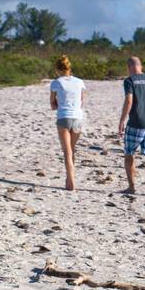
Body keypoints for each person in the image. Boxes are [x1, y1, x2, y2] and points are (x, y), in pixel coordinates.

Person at [118, 57, 145, 195]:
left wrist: (121, 121)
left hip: (136, 123)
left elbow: (129, 101)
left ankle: (132, 187)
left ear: (129, 67)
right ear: (140, 66)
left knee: (129, 154)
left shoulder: (129, 81)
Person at [49, 55, 85, 191]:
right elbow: (81, 102)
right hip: (78, 118)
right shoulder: (79, 82)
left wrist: (61, 103)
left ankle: (70, 182)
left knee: (67, 152)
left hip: (64, 117)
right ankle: (70, 178)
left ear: (58, 69)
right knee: (72, 150)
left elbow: (52, 105)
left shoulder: (56, 83)